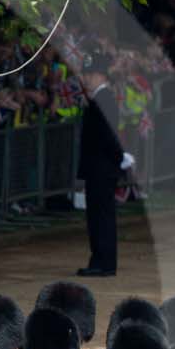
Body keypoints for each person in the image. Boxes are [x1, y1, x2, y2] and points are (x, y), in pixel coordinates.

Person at [76, 72, 124, 278]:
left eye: (91, 74)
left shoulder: (103, 99)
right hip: (100, 166)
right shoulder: (100, 99)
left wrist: (120, 155)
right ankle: (101, 260)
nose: (87, 78)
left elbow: (107, 134)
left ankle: (103, 261)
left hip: (101, 167)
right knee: (98, 216)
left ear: (101, 76)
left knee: (101, 216)